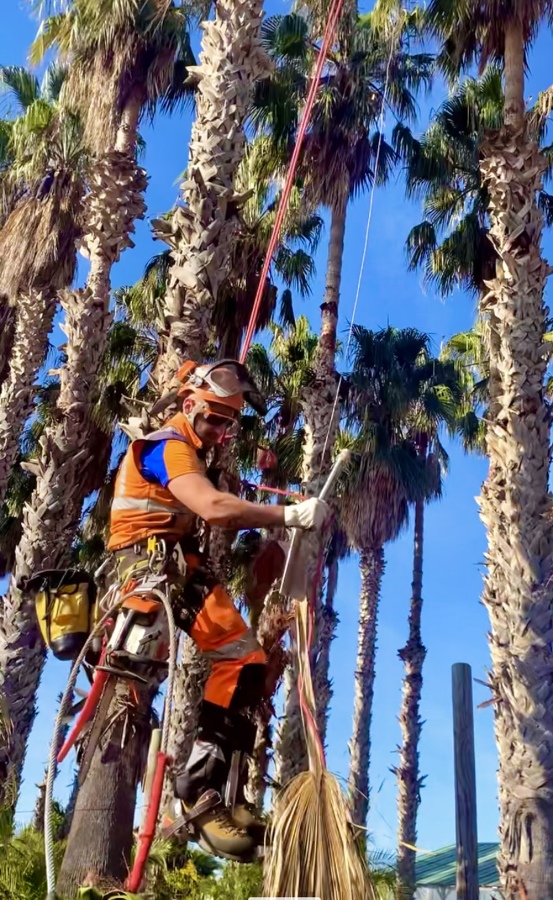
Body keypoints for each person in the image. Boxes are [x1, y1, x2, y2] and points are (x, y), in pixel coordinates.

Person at [106, 359, 330, 861]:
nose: (223, 431)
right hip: (145, 565)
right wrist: (287, 515)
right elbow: (212, 508)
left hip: (179, 567)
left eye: (230, 423)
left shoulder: (193, 450)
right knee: (150, 663)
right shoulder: (168, 447)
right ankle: (198, 799)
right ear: (189, 405)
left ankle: (214, 792)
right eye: (215, 418)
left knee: (248, 662)